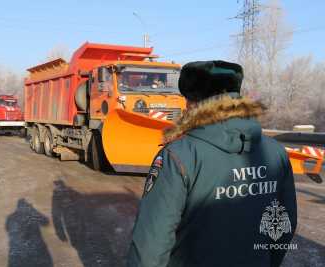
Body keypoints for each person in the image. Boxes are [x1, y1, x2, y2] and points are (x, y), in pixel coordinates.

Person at [127, 61, 297, 267]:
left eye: (186, 100)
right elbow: (283, 225)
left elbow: (151, 244)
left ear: (193, 102)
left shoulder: (179, 156)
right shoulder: (277, 152)